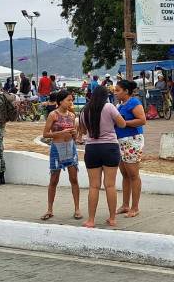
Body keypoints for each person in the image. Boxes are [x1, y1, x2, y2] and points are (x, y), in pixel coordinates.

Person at [78, 85, 126, 228]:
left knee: (94, 186)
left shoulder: (84, 110)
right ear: (106, 96)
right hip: (110, 147)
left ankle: (91, 220)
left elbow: (82, 129)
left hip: (92, 148)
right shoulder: (110, 107)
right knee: (110, 185)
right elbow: (122, 124)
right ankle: (112, 218)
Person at [40, 90, 81, 221]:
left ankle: (77, 208)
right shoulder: (53, 115)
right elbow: (45, 134)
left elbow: (75, 136)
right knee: (54, 179)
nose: (71, 102)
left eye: (71, 100)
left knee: (74, 179)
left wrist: (74, 134)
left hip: (70, 147)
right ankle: (49, 209)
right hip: (57, 149)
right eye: (68, 100)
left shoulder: (71, 115)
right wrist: (61, 133)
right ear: (60, 101)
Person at [115, 80, 146, 218]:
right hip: (121, 141)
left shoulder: (134, 103)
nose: (115, 93)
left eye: (118, 90)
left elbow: (142, 120)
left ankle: (135, 207)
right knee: (125, 174)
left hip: (131, 141)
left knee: (133, 174)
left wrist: (124, 123)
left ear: (126, 91)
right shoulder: (121, 106)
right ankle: (125, 204)